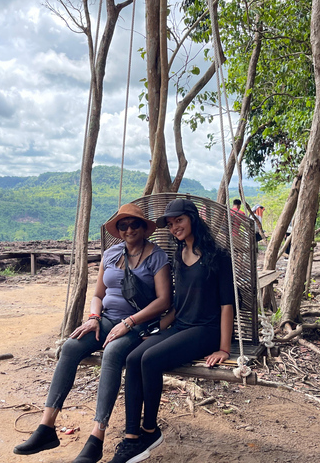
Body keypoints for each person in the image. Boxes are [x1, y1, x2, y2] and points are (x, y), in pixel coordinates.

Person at [13, 203, 171, 463]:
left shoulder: (157, 256)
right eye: (123, 225)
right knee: (71, 347)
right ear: (118, 231)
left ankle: (97, 436)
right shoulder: (111, 254)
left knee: (112, 353)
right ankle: (46, 427)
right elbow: (98, 294)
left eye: (134, 224)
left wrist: (129, 322)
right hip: (106, 319)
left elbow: (164, 301)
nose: (129, 229)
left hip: (139, 325)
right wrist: (94, 318)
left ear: (144, 229)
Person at [106, 198, 234, 463]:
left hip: (206, 329)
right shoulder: (179, 254)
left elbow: (226, 305)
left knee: (150, 360)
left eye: (180, 220)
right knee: (133, 358)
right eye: (171, 223)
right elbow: (178, 303)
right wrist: (155, 329)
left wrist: (223, 348)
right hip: (181, 325)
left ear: (193, 218)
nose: (175, 227)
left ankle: (150, 431)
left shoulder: (218, 256)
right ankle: (132, 438)